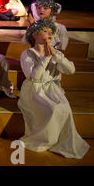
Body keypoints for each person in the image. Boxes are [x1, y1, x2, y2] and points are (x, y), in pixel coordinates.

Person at [18, 19, 89, 159]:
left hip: (52, 88)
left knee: (64, 107)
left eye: (51, 32)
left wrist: (56, 57)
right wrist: (45, 58)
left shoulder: (56, 52)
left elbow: (70, 70)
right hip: (35, 89)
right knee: (54, 109)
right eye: (45, 31)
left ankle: (60, 140)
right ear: (34, 34)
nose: (49, 34)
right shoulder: (28, 54)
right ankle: (45, 139)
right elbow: (35, 77)